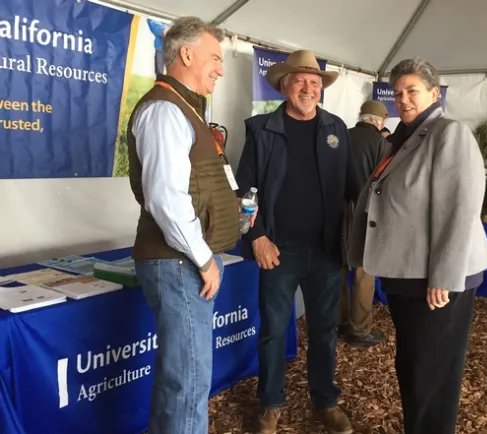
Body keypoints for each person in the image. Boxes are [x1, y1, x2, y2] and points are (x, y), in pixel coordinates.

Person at [347, 58, 487, 434]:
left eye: (412, 90)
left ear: (433, 92)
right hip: (407, 274)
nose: (404, 99)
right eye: (398, 93)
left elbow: (459, 210)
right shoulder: (405, 137)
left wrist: (442, 277)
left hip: (435, 278)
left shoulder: (449, 133)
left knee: (433, 371)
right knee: (413, 364)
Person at [127, 17, 245, 434]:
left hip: (183, 263)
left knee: (180, 379)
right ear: (187, 54)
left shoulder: (184, 108)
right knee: (189, 382)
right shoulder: (164, 111)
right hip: (179, 264)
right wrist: (204, 258)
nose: (220, 68)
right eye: (215, 57)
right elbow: (165, 199)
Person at [235, 49, 354, 434]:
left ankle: (326, 400)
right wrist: (257, 237)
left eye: (315, 82)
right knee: (273, 330)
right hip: (277, 250)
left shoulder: (336, 128)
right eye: (301, 81)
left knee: (323, 330)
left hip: (325, 250)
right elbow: (246, 192)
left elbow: (353, 189)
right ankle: (270, 403)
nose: (308, 88)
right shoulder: (261, 129)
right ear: (285, 86)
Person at [339, 100, 390, 347]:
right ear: (380, 122)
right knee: (363, 271)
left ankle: (339, 322)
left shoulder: (340, 136)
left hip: (335, 212)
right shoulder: (382, 144)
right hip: (365, 213)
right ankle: (359, 331)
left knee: (337, 267)